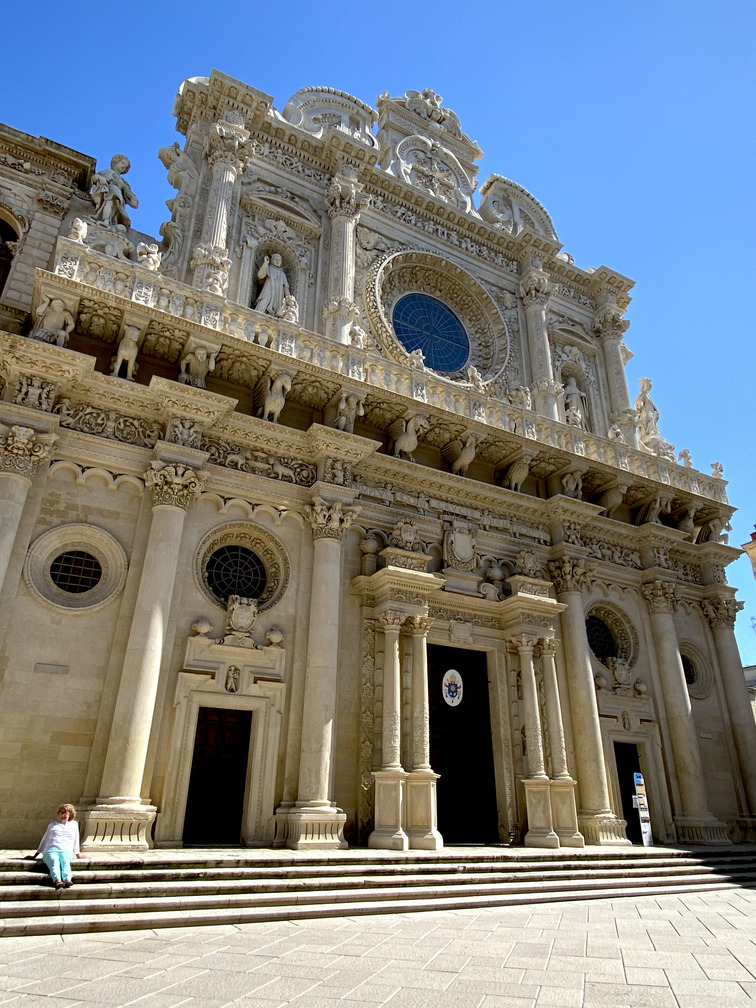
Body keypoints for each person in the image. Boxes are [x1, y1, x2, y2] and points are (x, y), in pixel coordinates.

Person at [25, 803, 83, 889]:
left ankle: (67, 880)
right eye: (61, 812)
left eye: (65, 812)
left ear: (70, 814)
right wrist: (35, 855)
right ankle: (57, 880)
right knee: (54, 862)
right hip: (51, 850)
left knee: (65, 862)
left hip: (66, 850)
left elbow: (76, 839)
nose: (62, 815)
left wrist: (78, 854)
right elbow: (45, 840)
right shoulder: (53, 825)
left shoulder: (74, 824)